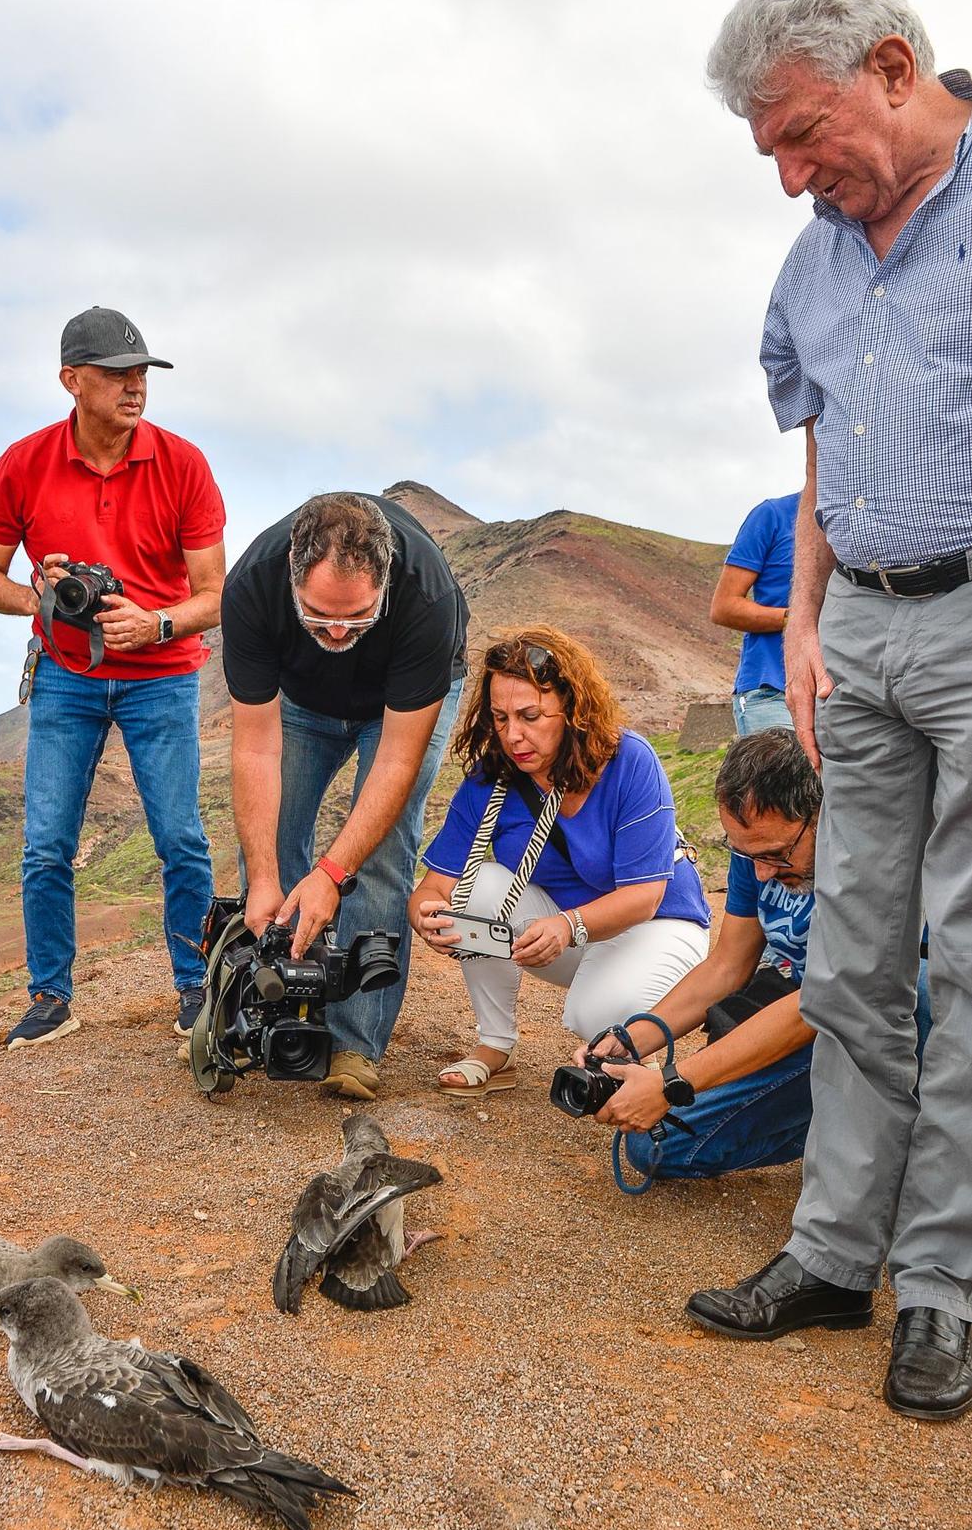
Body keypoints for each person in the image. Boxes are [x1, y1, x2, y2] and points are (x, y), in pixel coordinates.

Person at [697, 0, 972, 1420]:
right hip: (853, 634)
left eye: (801, 134)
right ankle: (829, 1255)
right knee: (851, 954)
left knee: (969, 962)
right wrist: (801, 619)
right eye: (769, 148)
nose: (791, 174)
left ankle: (942, 1289)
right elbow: (815, 451)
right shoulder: (812, 264)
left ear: (890, 65)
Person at [0, 307, 226, 1048]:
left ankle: (195, 988)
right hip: (66, 677)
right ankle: (51, 997)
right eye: (116, 374)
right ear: (71, 380)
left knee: (179, 837)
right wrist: (37, 598)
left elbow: (213, 594)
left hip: (163, 676)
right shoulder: (24, 463)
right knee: (46, 843)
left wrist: (156, 623)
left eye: (141, 373)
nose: (134, 386)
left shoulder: (183, 464)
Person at [582, 730, 931, 1178]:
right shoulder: (757, 849)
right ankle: (844, 1129)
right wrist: (631, 1040)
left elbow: (819, 1002)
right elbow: (728, 965)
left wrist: (673, 1082)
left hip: (856, 1021)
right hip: (795, 1021)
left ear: (824, 812)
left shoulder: (871, 860)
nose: (762, 872)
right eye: (747, 855)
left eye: (777, 855)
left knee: (920, 985)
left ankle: (888, 1138)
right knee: (656, 1148)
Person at [220, 491, 468, 1102]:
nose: (336, 630)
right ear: (291, 578)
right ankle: (259, 1019)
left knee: (378, 854)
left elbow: (397, 760)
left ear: (384, 586)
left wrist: (332, 872)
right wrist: (262, 878)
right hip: (303, 704)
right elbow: (254, 749)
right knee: (272, 847)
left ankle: (355, 1043)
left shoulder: (427, 598)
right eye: (317, 614)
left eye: (357, 617)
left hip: (400, 712)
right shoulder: (251, 585)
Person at [410, 627, 710, 1094]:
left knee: (592, 1013)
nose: (513, 735)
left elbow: (644, 897)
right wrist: (426, 915)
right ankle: (495, 1045)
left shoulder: (629, 760)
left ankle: (638, 1058)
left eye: (530, 716)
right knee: (476, 890)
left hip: (657, 926)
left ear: (572, 708)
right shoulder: (491, 778)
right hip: (566, 934)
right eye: (500, 717)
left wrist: (568, 926)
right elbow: (436, 885)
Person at [710, 492, 800, 735]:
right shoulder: (772, 515)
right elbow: (724, 607)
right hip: (772, 691)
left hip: (848, 692)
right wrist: (799, 618)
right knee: (778, 774)